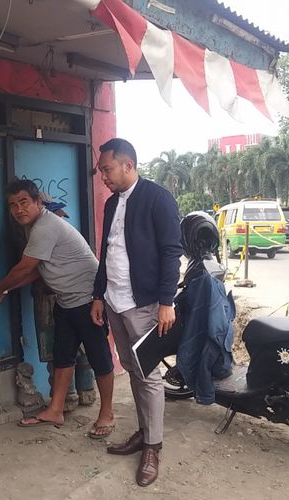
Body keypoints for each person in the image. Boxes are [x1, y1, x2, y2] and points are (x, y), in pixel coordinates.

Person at [0, 179, 116, 439]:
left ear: (37, 203)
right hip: (66, 301)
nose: (18, 209)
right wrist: (5, 290)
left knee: (99, 358)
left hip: (89, 301)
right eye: (13, 205)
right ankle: (55, 409)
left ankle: (107, 413)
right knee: (63, 356)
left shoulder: (45, 226)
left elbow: (24, 268)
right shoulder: (34, 229)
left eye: (23, 202)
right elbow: (33, 272)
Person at [90, 138, 183, 487]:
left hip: (143, 303)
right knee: (131, 368)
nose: (103, 177)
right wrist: (98, 295)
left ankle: (153, 447)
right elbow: (107, 252)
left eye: (107, 170)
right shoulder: (112, 204)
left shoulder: (157, 198)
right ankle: (144, 433)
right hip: (115, 301)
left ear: (128, 165)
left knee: (148, 375)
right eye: (101, 171)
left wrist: (166, 301)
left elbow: (172, 252)